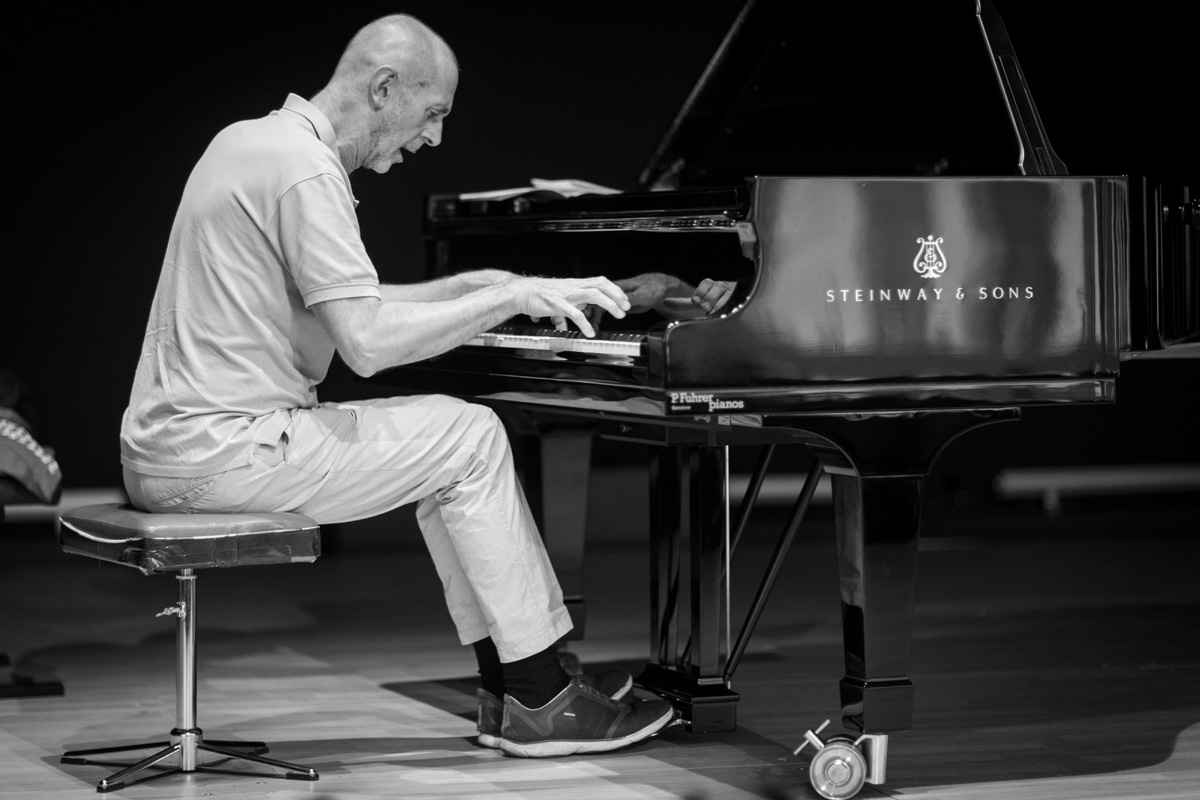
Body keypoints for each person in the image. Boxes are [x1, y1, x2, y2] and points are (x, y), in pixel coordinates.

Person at [118, 14, 675, 758]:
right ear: (384, 88)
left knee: (449, 443)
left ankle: (514, 692)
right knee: (469, 435)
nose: (435, 137)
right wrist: (509, 298)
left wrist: (480, 287)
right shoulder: (308, 170)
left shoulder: (248, 142)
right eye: (433, 112)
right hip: (227, 453)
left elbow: (346, 304)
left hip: (166, 450)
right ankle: (542, 700)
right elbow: (368, 343)